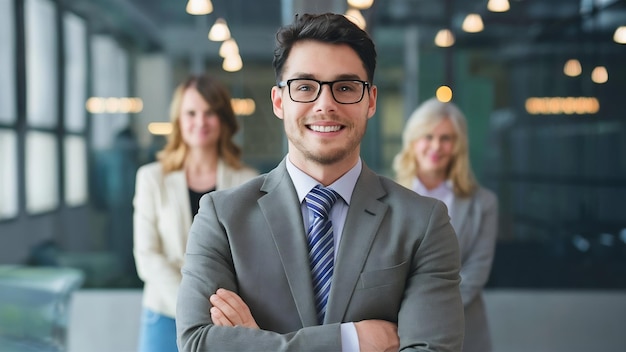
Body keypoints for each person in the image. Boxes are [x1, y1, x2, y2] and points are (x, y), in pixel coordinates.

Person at [176, 13, 464, 352]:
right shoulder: (222, 217)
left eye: (345, 87)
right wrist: (352, 340)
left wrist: (257, 342)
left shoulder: (423, 222)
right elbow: (197, 343)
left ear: (370, 100)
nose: (325, 104)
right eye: (305, 87)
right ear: (279, 101)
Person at [133, 74, 259, 352]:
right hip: (165, 313)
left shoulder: (247, 181)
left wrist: (213, 307)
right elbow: (147, 256)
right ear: (178, 118)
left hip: (223, 319)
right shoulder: (152, 178)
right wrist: (190, 302)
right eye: (191, 113)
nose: (200, 122)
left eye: (210, 112)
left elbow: (250, 257)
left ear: (224, 119)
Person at [392, 97, 499, 352]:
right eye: (427, 136)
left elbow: (476, 272)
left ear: (458, 145)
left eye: (446, 138)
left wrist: (427, 313)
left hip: (464, 332)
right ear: (413, 141)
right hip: (396, 333)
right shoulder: (386, 197)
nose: (436, 146)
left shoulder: (483, 203)